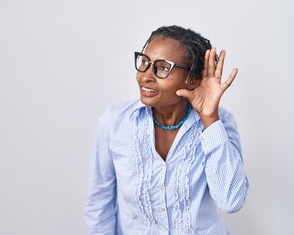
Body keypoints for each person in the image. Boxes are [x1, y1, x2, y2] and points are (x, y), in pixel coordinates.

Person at [85, 25, 249, 235]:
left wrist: (209, 119)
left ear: (191, 78)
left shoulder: (221, 123)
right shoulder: (114, 123)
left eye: (162, 67)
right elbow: (99, 202)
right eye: (144, 62)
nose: (145, 76)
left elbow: (231, 201)